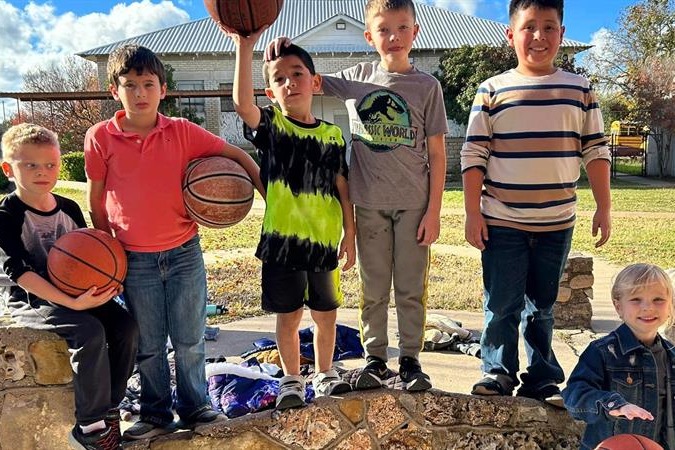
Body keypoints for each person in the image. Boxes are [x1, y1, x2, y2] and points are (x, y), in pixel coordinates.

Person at [84, 44, 264, 440]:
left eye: (148, 84)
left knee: (190, 339)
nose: (140, 93)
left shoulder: (181, 132)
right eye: (129, 85)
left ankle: (196, 407)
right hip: (135, 259)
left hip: (183, 253)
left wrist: (270, 198)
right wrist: (109, 253)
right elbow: (96, 200)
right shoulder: (100, 138)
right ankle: (154, 414)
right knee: (149, 343)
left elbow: (238, 154)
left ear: (163, 89)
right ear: (115, 90)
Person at [267, 0, 448, 392]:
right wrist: (287, 46)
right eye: (384, 29)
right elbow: (304, 78)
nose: (393, 37)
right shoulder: (356, 77)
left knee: (411, 286)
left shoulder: (427, 87)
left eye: (402, 28)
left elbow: (437, 152)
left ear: (415, 32)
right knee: (375, 285)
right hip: (367, 203)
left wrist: (434, 210)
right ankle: (376, 357)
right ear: (369, 37)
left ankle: (412, 359)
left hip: (414, 203)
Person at [461, 0, 612, 406]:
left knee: (542, 305)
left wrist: (604, 206)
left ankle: (542, 376)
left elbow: (596, 151)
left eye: (549, 27)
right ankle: (496, 372)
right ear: (511, 34)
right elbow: (474, 155)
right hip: (502, 219)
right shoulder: (491, 90)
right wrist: (472, 212)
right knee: (501, 303)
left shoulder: (580, 90)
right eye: (529, 27)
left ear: (561, 35)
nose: (539, 36)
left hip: (556, 221)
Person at [225, 26, 356, 409]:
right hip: (282, 243)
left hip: (323, 241)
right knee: (288, 315)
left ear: (315, 82)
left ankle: (326, 372)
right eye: (279, 79)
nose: (290, 82)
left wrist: (350, 233)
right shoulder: (271, 128)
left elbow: (342, 187)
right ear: (270, 92)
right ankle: (291, 379)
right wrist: (245, 47)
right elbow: (240, 104)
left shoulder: (333, 135)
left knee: (326, 314)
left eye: (297, 73)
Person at [0, 123, 139, 450]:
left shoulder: (69, 209)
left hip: (76, 293)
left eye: (50, 164)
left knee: (127, 327)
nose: (41, 172)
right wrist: (72, 303)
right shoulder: (6, 215)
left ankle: (110, 409)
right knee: (88, 332)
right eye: (30, 165)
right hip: (33, 298)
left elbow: (91, 255)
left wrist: (109, 281)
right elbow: (20, 275)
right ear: (8, 169)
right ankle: (90, 427)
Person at [562, 263, 675, 449]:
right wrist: (613, 405)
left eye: (658, 300)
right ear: (618, 306)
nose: (648, 307)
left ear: (670, 305)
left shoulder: (671, 357)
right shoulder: (603, 352)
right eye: (636, 299)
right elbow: (574, 395)